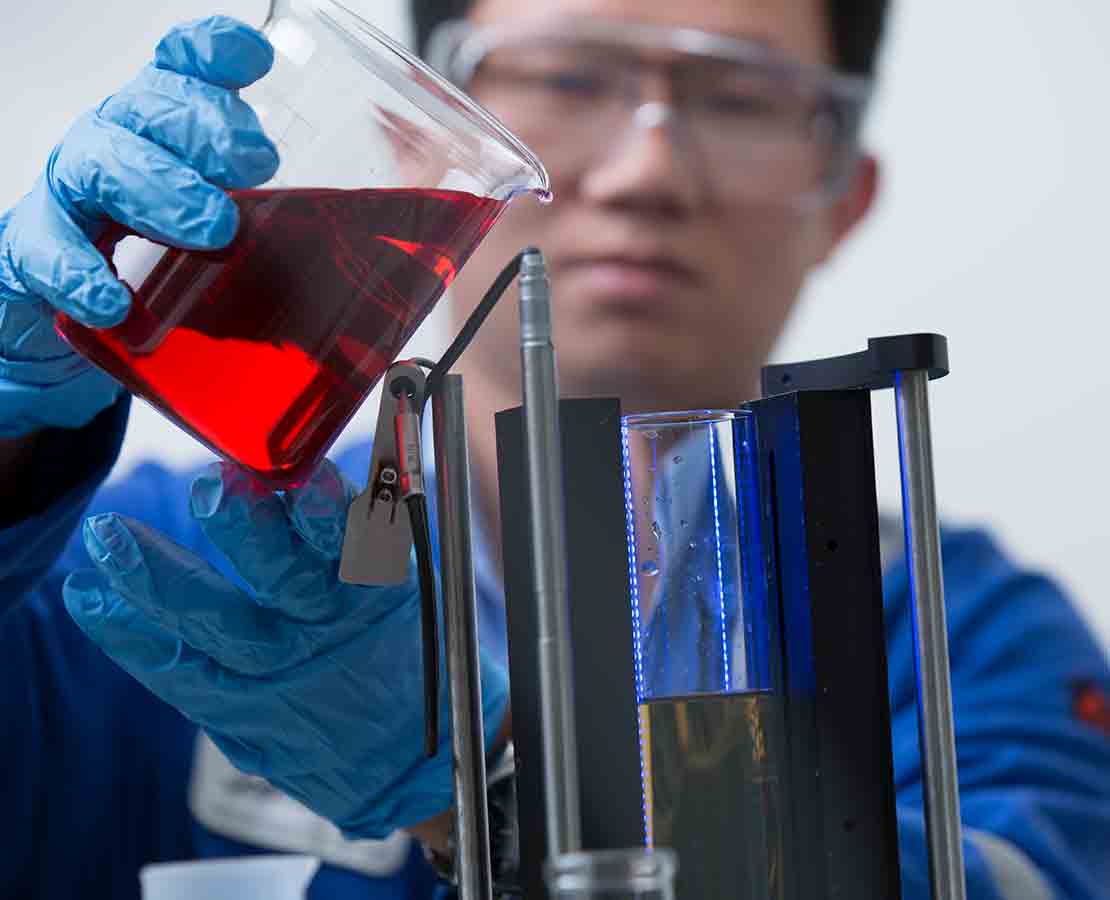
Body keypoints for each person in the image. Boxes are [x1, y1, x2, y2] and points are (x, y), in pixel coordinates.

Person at [0, 1, 1107, 898]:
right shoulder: (139, 571)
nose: (643, 176)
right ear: (409, 134)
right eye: (570, 79)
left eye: (742, 99)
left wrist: (506, 789)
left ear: (845, 200)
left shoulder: (969, 643)